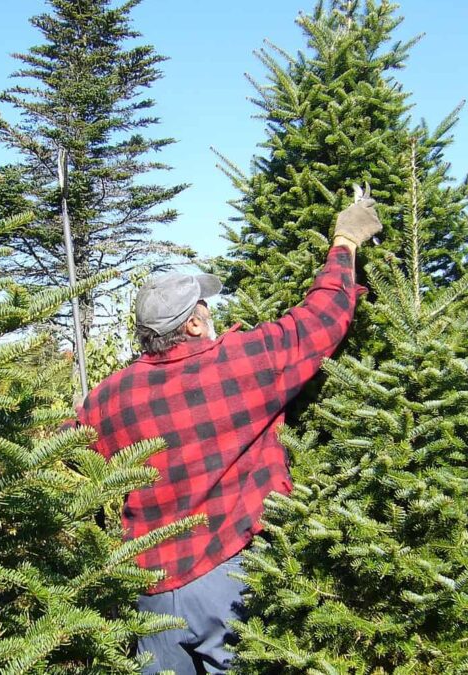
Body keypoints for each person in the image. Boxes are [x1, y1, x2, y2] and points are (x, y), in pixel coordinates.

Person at [74, 197, 383, 674]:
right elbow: (321, 318)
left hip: (149, 590)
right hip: (227, 574)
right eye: (204, 306)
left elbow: (67, 460)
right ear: (194, 322)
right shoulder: (238, 363)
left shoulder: (107, 398)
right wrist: (344, 242)